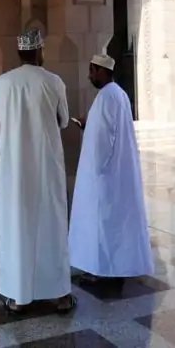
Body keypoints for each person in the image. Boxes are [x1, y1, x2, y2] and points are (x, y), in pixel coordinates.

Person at [0, 27, 76, 314]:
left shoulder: (2, 83)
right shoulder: (53, 81)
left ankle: (18, 296)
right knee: (50, 224)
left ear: (19, 52)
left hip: (14, 167)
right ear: (40, 51)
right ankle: (59, 295)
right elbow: (64, 120)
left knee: (17, 226)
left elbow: (5, 118)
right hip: (45, 165)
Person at [69, 54, 154, 285]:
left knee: (104, 224)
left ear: (102, 71)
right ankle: (111, 269)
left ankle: (104, 272)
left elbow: (104, 137)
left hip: (105, 175)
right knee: (112, 224)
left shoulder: (108, 96)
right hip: (114, 173)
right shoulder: (117, 94)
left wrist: (94, 170)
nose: (89, 75)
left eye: (92, 70)